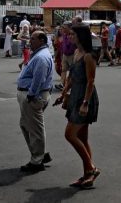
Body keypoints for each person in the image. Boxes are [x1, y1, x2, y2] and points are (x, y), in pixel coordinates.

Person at [55, 24, 100, 189]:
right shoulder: (76, 52)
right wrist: (64, 92)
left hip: (85, 98)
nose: (69, 37)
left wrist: (85, 103)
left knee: (70, 134)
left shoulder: (89, 56)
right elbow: (72, 76)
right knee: (82, 138)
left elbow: (91, 81)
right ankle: (88, 174)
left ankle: (91, 169)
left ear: (80, 36)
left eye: (72, 34)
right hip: (75, 96)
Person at [17, 30, 54, 173]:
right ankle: (40, 153)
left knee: (35, 128)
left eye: (33, 39)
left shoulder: (41, 57)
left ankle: (37, 160)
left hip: (33, 96)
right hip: (31, 94)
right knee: (26, 125)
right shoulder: (39, 55)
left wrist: (31, 95)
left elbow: (39, 79)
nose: (29, 41)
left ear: (42, 40)